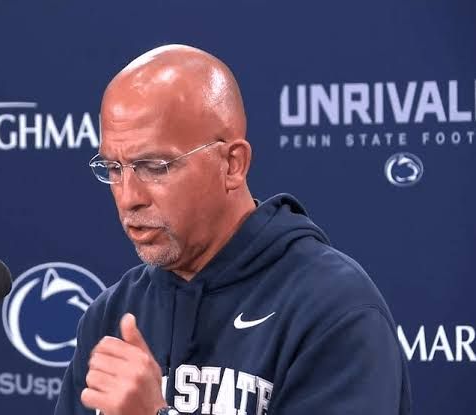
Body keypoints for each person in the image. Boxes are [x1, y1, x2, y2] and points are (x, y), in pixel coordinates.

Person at [54, 44, 411, 415]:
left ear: (232, 164)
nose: (129, 198)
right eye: (114, 169)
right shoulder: (112, 314)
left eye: (155, 166)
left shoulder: (333, 307)